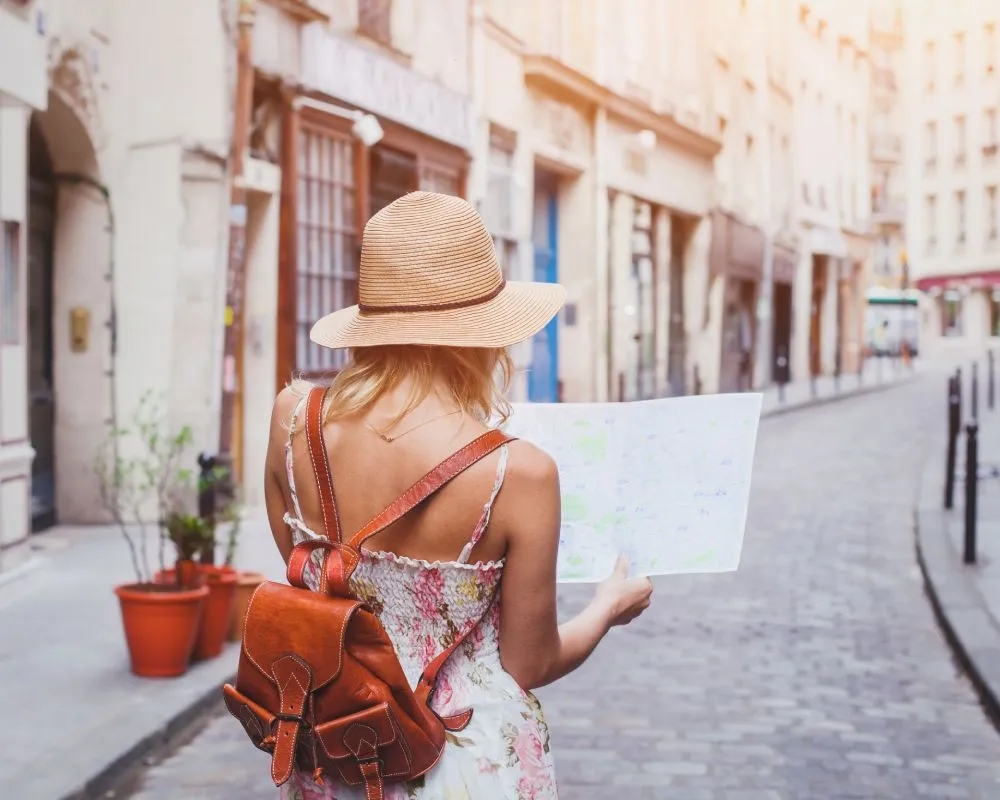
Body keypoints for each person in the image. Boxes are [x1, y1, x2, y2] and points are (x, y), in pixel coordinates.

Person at [264, 191, 653, 799]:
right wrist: (607, 607)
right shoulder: (518, 473)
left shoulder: (294, 420)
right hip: (467, 764)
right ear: (482, 336)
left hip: (338, 753)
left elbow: (314, 582)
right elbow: (530, 665)